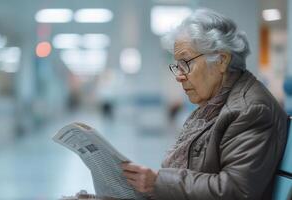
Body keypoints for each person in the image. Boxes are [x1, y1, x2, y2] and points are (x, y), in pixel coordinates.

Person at [121, 8, 288, 200]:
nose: (179, 76)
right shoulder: (213, 106)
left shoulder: (250, 109)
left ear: (222, 60)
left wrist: (158, 183)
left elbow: (235, 191)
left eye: (186, 63)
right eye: (177, 66)